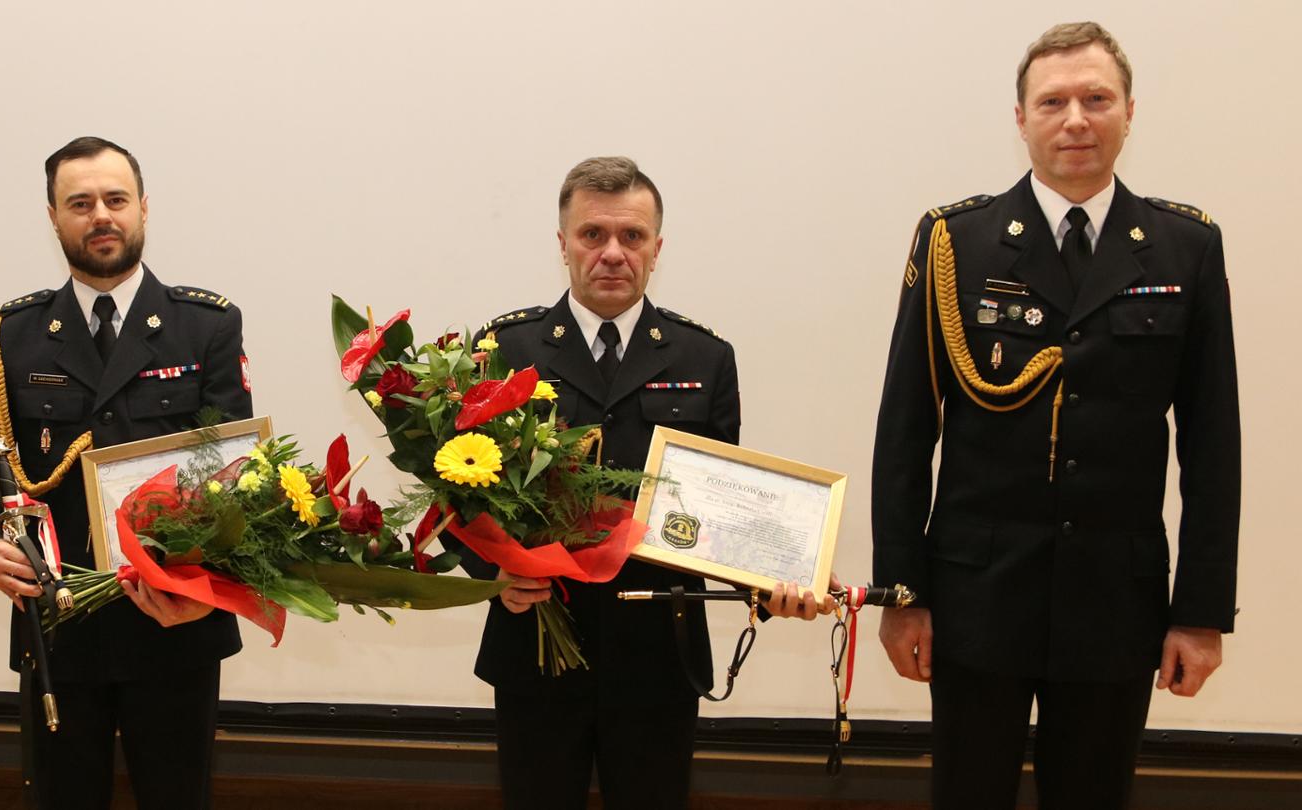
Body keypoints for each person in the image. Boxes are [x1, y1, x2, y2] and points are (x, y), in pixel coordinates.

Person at [871, 22, 1238, 809]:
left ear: (1130, 112)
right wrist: (903, 595)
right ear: (1021, 118)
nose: (1075, 119)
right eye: (1053, 102)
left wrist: (1201, 614)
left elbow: (1214, 447)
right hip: (975, 599)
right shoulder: (956, 242)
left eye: (1096, 99)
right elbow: (904, 431)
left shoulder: (1185, 247)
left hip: (1116, 602)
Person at [472, 156, 833, 810]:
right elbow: (461, 491)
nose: (612, 252)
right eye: (593, 234)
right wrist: (493, 574)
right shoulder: (505, 349)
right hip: (536, 648)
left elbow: (723, 509)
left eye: (631, 236)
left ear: (657, 249)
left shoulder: (705, 358)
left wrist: (776, 581)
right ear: (563, 244)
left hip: (658, 656)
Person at [0, 136, 252, 810]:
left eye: (115, 199)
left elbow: (237, 478)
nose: (100, 215)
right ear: (53, 217)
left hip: (175, 627)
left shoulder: (206, 326)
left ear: (144, 207)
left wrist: (211, 592)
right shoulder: (12, 335)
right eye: (80, 203)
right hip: (60, 630)